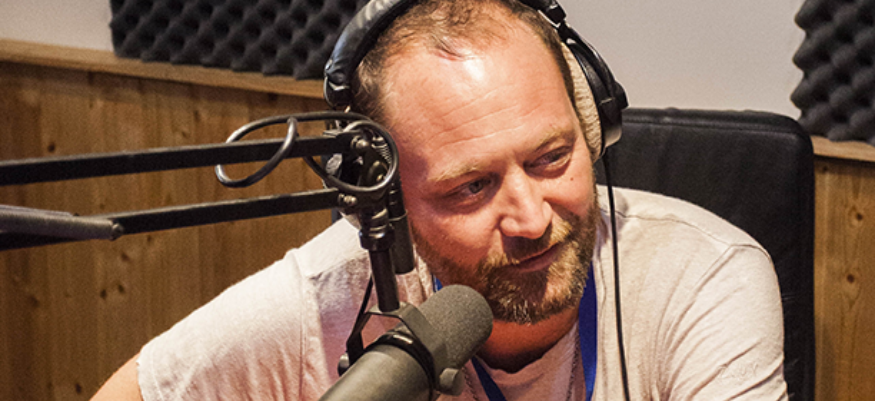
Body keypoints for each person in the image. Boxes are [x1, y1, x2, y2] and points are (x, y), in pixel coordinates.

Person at [93, 0, 788, 399]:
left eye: (551, 158)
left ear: (591, 123)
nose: (531, 218)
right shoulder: (335, 295)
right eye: (470, 187)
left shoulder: (702, 279)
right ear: (385, 204)